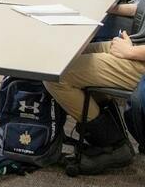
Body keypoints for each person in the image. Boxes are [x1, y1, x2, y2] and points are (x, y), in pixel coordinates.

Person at [43, 36, 143, 174]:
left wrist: (130, 51)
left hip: (139, 58)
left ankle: (112, 145)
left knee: (55, 76)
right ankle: (116, 138)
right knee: (70, 54)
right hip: (138, 46)